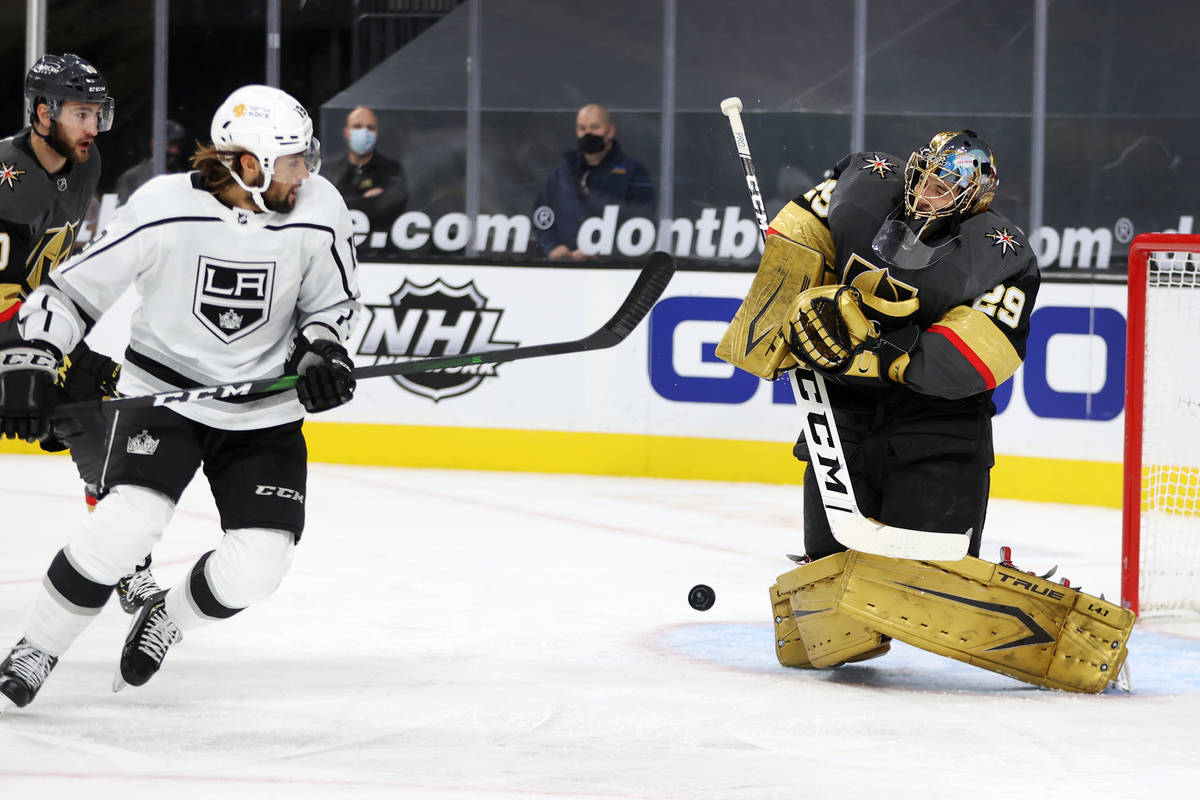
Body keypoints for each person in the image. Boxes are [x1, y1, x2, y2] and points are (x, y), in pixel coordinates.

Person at [716, 133, 1127, 693]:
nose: (926, 190)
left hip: (937, 424)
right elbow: (795, 247)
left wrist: (871, 354)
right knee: (830, 576)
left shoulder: (1003, 253)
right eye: (924, 174)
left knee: (926, 570)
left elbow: (972, 359)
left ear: (975, 195)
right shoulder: (861, 183)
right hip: (844, 413)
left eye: (945, 183)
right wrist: (787, 314)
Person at [0, 83, 361, 711]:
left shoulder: (319, 206)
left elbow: (331, 303)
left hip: (263, 408)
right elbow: (74, 291)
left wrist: (321, 351)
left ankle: (168, 617)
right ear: (249, 165)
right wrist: (33, 361)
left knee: (259, 565)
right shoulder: (162, 206)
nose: (306, 174)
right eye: (294, 161)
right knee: (125, 524)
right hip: (163, 395)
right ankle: (38, 645)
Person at [0, 53, 163, 615]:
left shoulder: (86, 166)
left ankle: (124, 564)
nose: (93, 127)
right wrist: (27, 364)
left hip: (33, 331)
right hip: (12, 333)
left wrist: (57, 357)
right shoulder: (6, 178)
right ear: (43, 113)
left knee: (104, 430)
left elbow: (57, 282)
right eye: (80, 113)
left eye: (98, 113)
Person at [532, 103, 654, 261]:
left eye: (595, 127)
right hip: (562, 268)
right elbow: (542, 214)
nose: (588, 133)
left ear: (611, 131)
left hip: (611, 270)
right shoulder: (563, 171)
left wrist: (602, 252)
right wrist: (553, 247)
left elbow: (643, 222)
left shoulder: (633, 172)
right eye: (582, 128)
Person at [323, 105, 407, 227]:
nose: (364, 132)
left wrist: (344, 200)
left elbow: (391, 203)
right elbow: (325, 206)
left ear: (377, 132)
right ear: (346, 132)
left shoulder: (392, 170)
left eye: (370, 127)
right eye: (357, 127)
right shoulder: (329, 170)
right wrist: (365, 199)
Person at [114, 118, 189, 204]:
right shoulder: (132, 177)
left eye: (179, 146)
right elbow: (123, 212)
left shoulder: (184, 177)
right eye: (171, 144)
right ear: (154, 143)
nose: (175, 150)